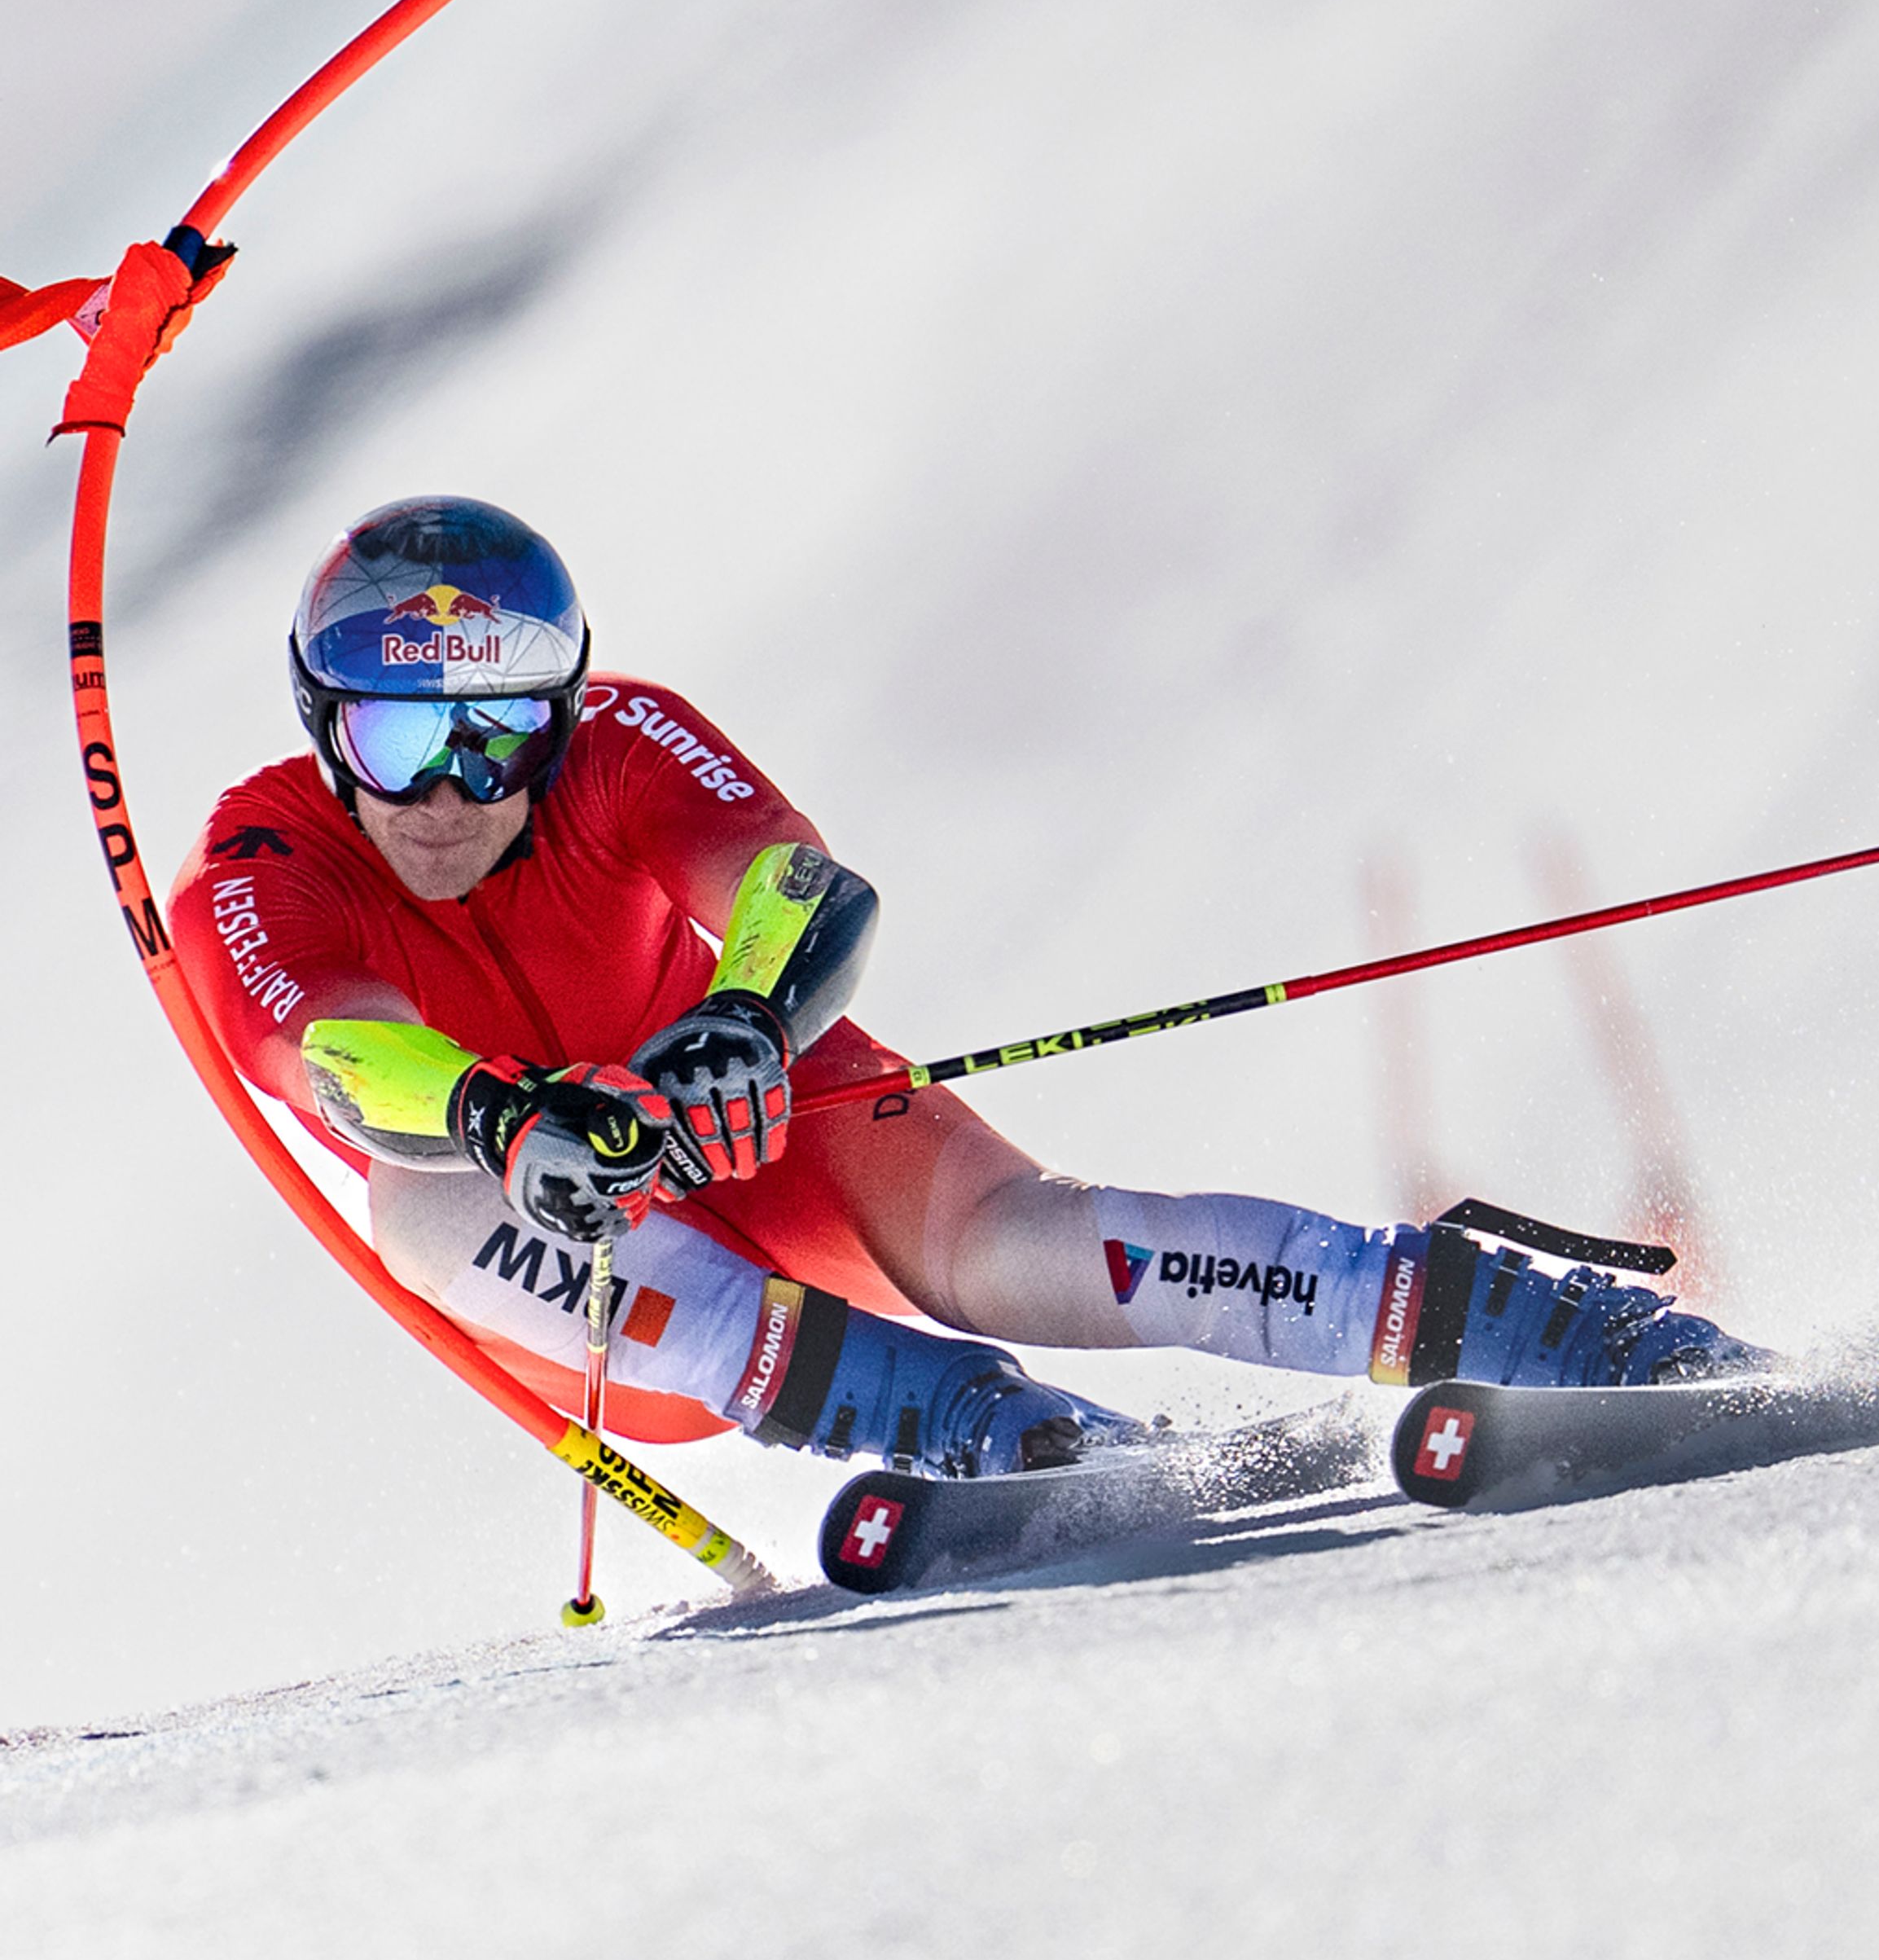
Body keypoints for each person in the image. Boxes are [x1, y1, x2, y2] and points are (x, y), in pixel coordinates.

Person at [173, 498, 1760, 1479]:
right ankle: (960, 1421)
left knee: (1020, 1243)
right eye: (398, 738)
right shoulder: (264, 855)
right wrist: (491, 1109)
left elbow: (794, 886)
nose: (449, 791)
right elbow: (325, 1041)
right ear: (327, 726)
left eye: (497, 733)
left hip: (752, 1117)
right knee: (421, 1197)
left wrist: (742, 1018)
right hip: (590, 1275)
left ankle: (1536, 1326)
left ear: (563, 714)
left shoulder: (631, 742)